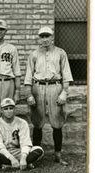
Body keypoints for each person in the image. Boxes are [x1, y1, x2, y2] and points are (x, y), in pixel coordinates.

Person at [24, 26, 73, 165]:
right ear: (39, 38)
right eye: (42, 36)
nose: (45, 39)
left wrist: (64, 92)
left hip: (55, 87)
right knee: (37, 122)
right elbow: (28, 77)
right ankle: (35, 156)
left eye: (47, 36)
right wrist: (29, 95)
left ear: (52, 37)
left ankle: (58, 155)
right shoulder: (33, 54)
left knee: (57, 123)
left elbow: (66, 75)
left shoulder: (60, 53)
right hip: (38, 87)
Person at [0, 98, 44, 170]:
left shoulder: (22, 122)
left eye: (11, 108)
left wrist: (23, 158)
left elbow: (25, 143)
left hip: (19, 152)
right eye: (6, 109)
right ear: (1, 110)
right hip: (4, 153)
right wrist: (11, 158)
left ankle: (11, 165)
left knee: (39, 150)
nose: (9, 111)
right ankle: (21, 164)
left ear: (15, 109)